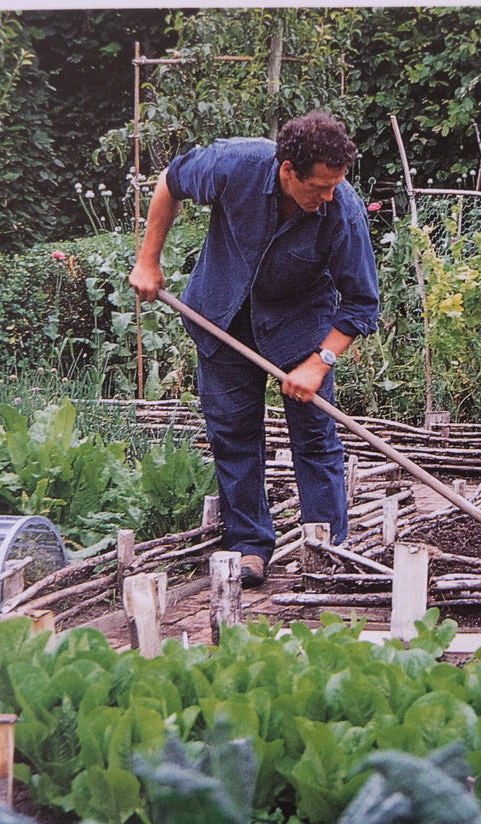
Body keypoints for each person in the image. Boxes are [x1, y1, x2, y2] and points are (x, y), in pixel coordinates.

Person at [128, 111, 379, 588]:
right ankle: (248, 546)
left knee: (315, 439)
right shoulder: (235, 164)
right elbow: (170, 181)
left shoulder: (341, 209)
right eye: (319, 187)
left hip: (300, 327)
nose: (328, 196)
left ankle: (326, 550)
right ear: (288, 171)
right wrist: (148, 260)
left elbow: (362, 302)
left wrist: (319, 361)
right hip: (221, 315)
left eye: (335, 186)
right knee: (233, 435)